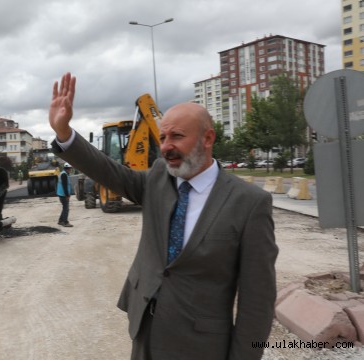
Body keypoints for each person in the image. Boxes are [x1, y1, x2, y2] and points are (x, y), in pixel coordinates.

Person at [48, 72, 277, 359]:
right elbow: (109, 171)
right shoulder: (158, 177)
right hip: (144, 329)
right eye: (163, 136)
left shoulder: (249, 203)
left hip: (201, 346)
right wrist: (65, 134)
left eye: (177, 136)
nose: (166, 146)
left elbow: (258, 299)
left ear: (207, 139)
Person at [56, 163, 75, 227]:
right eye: (70, 168)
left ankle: (60, 221)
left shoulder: (63, 173)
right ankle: (65, 222)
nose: (70, 169)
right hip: (63, 194)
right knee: (66, 209)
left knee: (64, 208)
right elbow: (64, 186)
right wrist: (67, 195)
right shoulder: (64, 175)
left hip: (61, 194)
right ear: (68, 168)